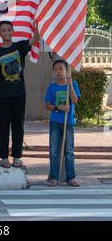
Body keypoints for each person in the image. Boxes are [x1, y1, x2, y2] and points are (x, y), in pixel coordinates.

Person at [0, 20, 39, 169]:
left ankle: (17, 156)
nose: (6, 32)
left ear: (13, 31)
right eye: (3, 30)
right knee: (3, 126)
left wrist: (36, 27)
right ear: (0, 34)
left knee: (18, 125)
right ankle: (4, 157)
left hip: (19, 93)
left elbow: (35, 38)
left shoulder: (20, 46)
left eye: (8, 30)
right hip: (3, 95)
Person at [44, 59, 81, 187]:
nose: (58, 72)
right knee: (54, 150)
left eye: (61, 69)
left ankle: (71, 177)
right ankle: (54, 177)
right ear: (53, 72)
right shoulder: (52, 87)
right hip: (55, 121)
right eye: (56, 69)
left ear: (66, 71)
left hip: (69, 122)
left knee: (69, 150)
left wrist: (70, 85)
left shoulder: (73, 84)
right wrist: (58, 107)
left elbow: (75, 100)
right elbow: (47, 105)